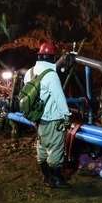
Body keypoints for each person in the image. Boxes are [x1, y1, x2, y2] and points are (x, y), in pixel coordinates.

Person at [24, 40, 71, 188]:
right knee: (56, 149)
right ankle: (56, 180)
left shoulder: (29, 72)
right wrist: (67, 116)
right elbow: (59, 98)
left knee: (42, 147)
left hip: (37, 119)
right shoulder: (51, 75)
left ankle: (46, 177)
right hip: (52, 119)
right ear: (52, 58)